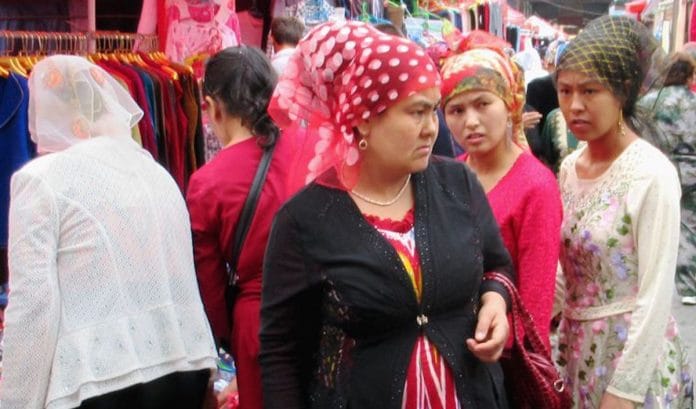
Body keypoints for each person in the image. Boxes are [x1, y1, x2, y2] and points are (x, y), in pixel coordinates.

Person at [260, 21, 515, 409]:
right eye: (416, 112)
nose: (432, 128)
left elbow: (497, 267)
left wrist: (496, 302)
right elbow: (281, 348)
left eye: (434, 111)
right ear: (364, 117)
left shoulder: (457, 184)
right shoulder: (306, 220)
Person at [1, 55, 218, 409]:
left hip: (98, 380)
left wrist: (15, 402)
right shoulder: (156, 174)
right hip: (184, 368)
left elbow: (32, 307)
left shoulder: (41, 181)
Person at [554, 16, 693, 408]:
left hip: (633, 359)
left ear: (623, 92)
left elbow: (656, 294)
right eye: (565, 91)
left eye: (590, 90)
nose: (574, 105)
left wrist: (625, 392)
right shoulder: (569, 167)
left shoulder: (651, 174)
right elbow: (567, 269)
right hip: (577, 352)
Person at [186, 45, 297, 409]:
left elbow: (210, 284)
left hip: (259, 323)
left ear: (214, 106)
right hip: (328, 309)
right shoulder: (313, 149)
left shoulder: (208, 181)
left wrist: (224, 336)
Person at [438, 30, 562, 351]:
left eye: (483, 104)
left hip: (503, 358)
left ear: (509, 104)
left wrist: (508, 350)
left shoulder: (536, 185)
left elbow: (536, 302)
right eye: (457, 110)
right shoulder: (449, 174)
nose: (471, 122)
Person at [638, 55, 696, 306]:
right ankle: (688, 284)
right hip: (693, 168)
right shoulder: (694, 101)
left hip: (659, 166)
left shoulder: (649, 102)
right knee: (689, 225)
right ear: (689, 76)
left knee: (654, 220)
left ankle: (650, 278)